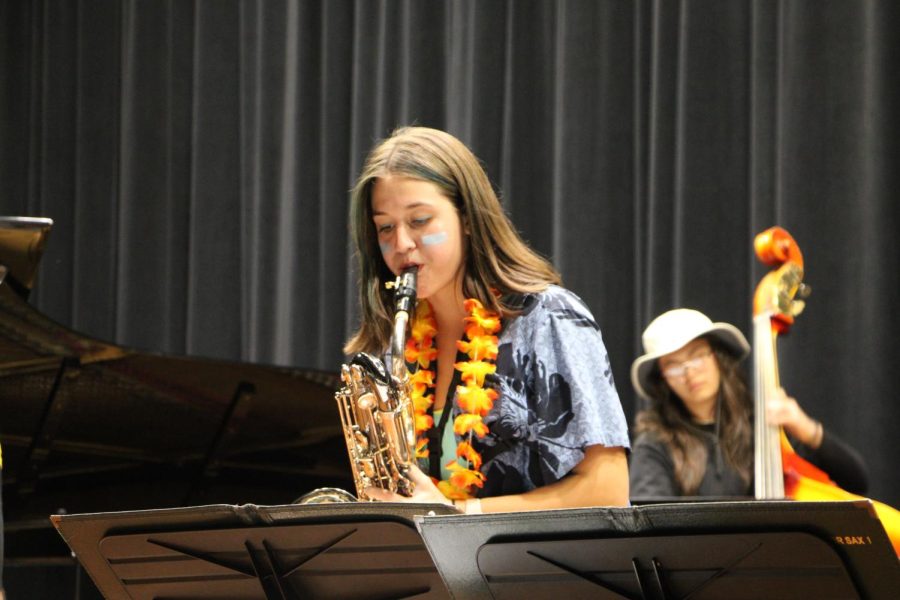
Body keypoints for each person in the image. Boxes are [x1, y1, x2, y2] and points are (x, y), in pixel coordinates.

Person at [343, 126, 630, 513]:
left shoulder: (549, 318)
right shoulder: (397, 343)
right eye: (386, 227)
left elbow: (608, 489)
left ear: (466, 217)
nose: (402, 244)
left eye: (421, 220)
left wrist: (459, 515)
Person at [628, 308, 869, 499]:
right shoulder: (655, 443)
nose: (689, 373)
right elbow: (653, 531)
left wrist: (805, 427)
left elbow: (856, 482)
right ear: (662, 379)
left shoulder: (762, 425)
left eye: (698, 355)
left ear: (718, 357)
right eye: (674, 365)